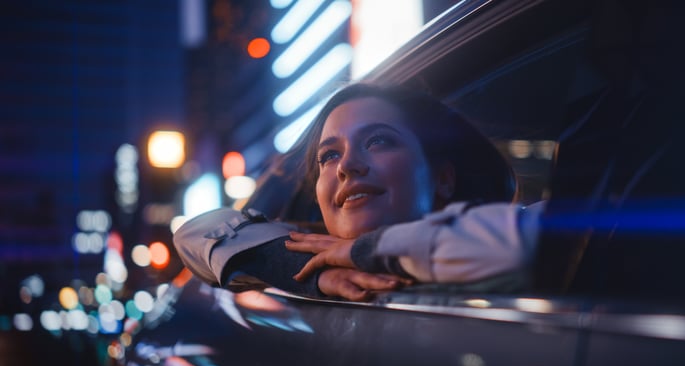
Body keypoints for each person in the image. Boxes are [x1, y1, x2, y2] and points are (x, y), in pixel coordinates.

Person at [173, 83, 544, 301]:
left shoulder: (506, 233)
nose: (348, 166)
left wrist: (367, 252)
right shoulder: (315, 251)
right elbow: (192, 234)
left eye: (379, 141)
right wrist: (300, 269)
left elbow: (540, 240)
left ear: (443, 178)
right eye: (329, 155)